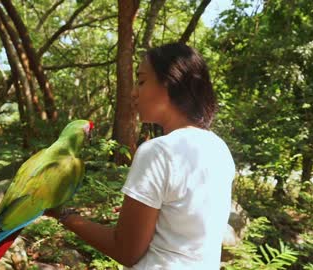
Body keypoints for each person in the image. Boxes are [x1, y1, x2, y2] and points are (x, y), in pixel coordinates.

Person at [45, 42, 236, 269]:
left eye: (142, 81)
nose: (134, 92)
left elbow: (125, 251)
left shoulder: (158, 151)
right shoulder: (219, 148)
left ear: (171, 82)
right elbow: (186, 222)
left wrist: (64, 215)